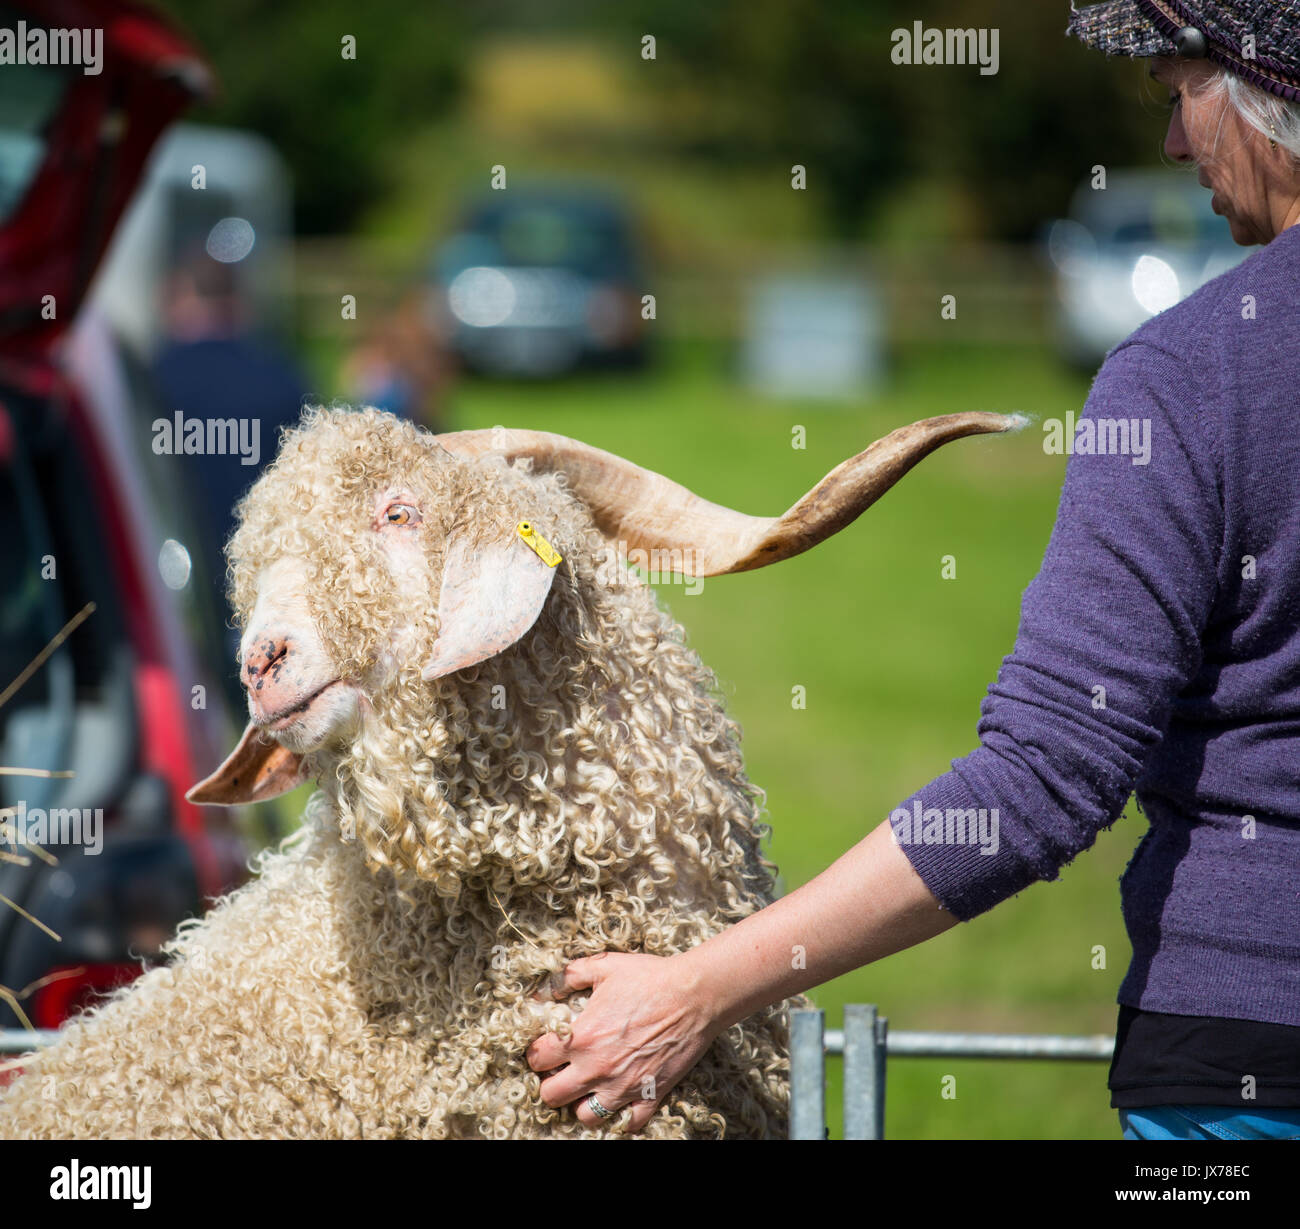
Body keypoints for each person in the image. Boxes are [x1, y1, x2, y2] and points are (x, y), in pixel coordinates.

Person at [525, 0, 1300, 1141]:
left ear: (1266, 92)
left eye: (1178, 88)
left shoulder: (1192, 376)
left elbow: (1045, 772)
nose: (1174, 143)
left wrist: (700, 986)